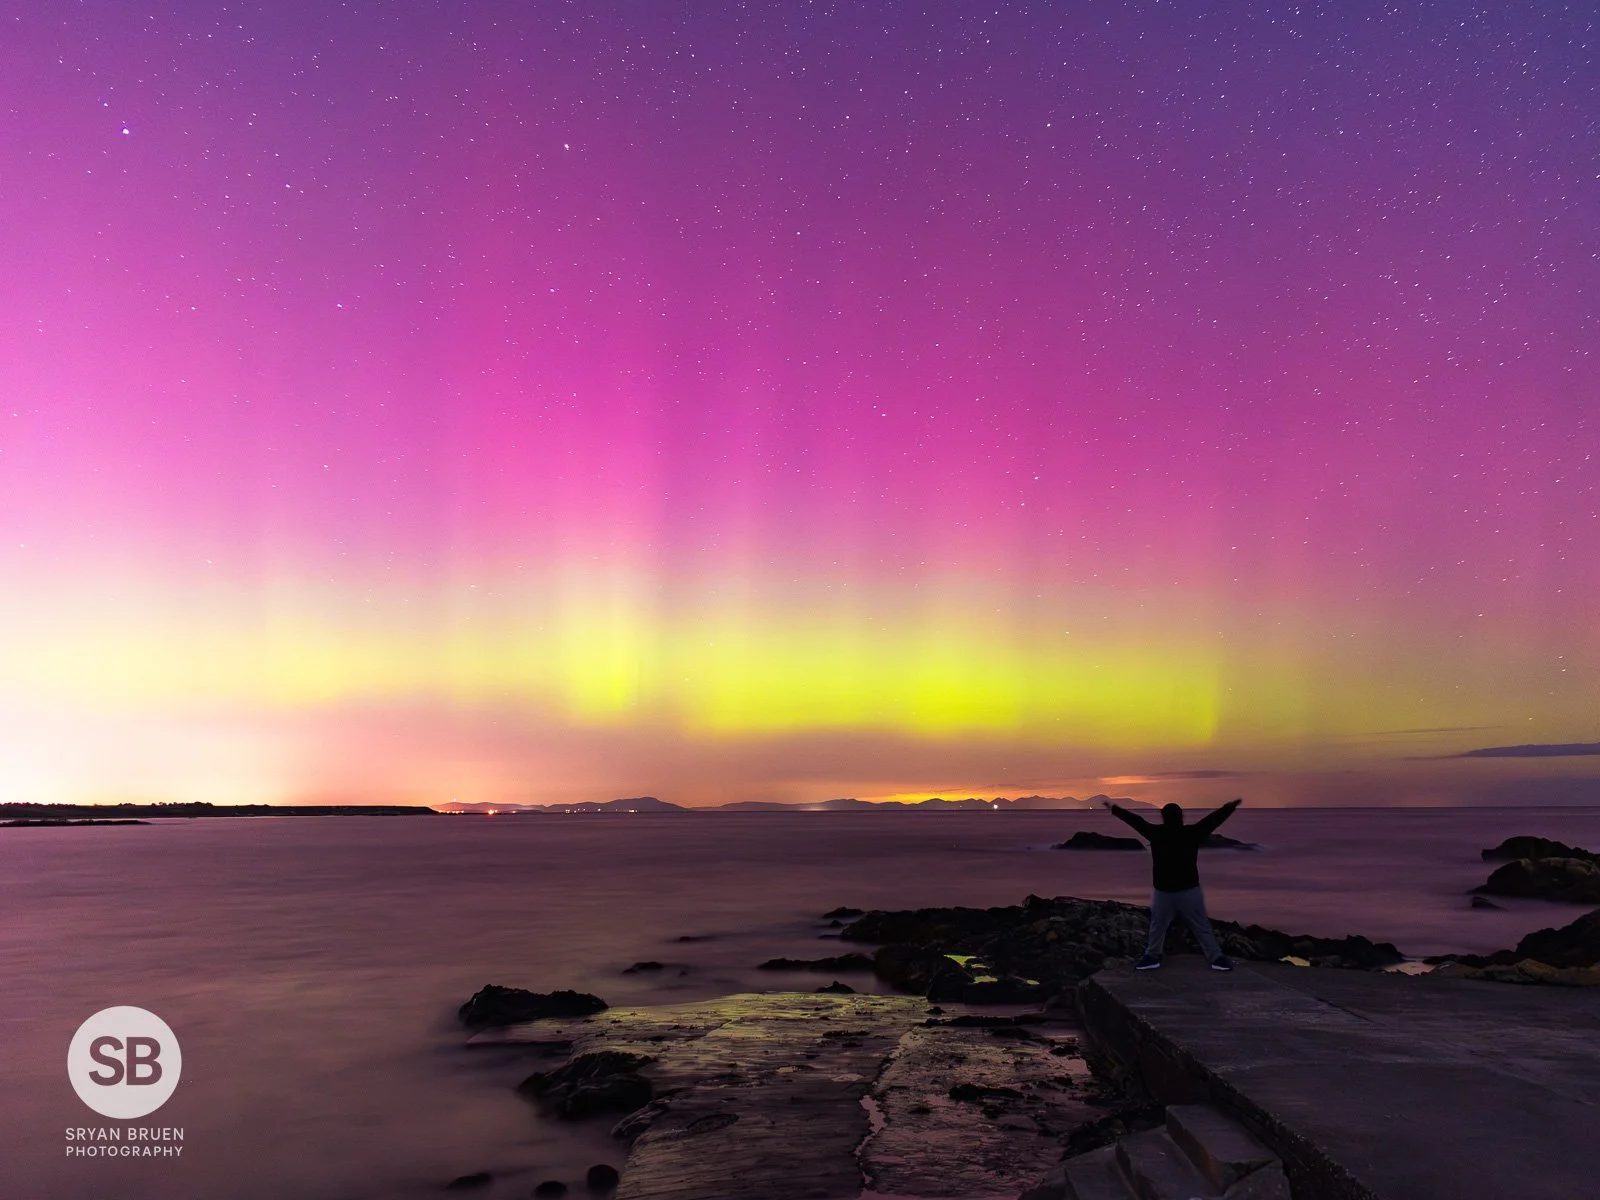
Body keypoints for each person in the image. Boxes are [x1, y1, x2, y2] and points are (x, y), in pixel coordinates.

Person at [1102, 797, 1243, 971]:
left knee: (1158, 926)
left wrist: (1114, 809)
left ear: (1163, 817)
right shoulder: (1192, 833)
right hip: (1188, 890)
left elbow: (1135, 821)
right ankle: (1216, 958)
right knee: (1200, 926)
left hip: (1165, 891)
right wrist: (1229, 807)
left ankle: (1152, 956)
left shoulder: (1156, 833)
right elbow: (1212, 821)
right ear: (1181, 817)